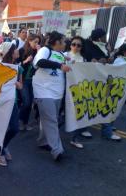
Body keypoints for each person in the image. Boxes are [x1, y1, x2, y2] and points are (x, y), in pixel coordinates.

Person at [33, 31, 71, 162]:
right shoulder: (44, 50)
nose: (66, 43)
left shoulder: (61, 54)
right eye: (64, 41)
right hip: (43, 91)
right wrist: (60, 65)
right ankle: (57, 150)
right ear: (57, 42)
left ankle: (43, 141)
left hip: (57, 93)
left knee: (48, 118)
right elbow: (40, 62)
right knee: (51, 120)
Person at [83, 28, 121, 141]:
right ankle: (82, 128)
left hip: (104, 79)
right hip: (91, 79)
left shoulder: (105, 46)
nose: (106, 38)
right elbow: (86, 61)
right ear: (99, 37)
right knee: (89, 104)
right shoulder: (87, 45)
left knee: (107, 104)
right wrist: (97, 61)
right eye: (104, 36)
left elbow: (108, 61)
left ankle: (107, 131)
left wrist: (109, 54)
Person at [0, 42, 22, 166]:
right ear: (9, 52)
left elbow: (21, 86)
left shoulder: (18, 68)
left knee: (15, 128)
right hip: (0, 102)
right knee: (1, 129)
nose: (17, 50)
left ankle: (4, 146)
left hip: (13, 101)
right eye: (14, 49)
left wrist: (16, 84)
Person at [64, 36, 92, 149]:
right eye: (73, 44)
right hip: (62, 88)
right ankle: (51, 137)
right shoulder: (64, 55)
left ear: (81, 47)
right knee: (61, 114)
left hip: (76, 90)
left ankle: (74, 138)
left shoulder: (83, 59)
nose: (75, 46)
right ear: (70, 45)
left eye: (78, 45)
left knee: (76, 114)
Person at [18, 34, 40, 131]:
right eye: (35, 42)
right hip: (23, 80)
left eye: (38, 42)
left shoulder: (38, 52)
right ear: (29, 41)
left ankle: (25, 123)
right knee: (26, 102)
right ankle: (17, 119)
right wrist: (25, 61)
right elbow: (16, 65)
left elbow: (39, 64)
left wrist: (39, 52)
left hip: (33, 80)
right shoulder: (22, 51)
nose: (36, 44)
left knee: (30, 102)